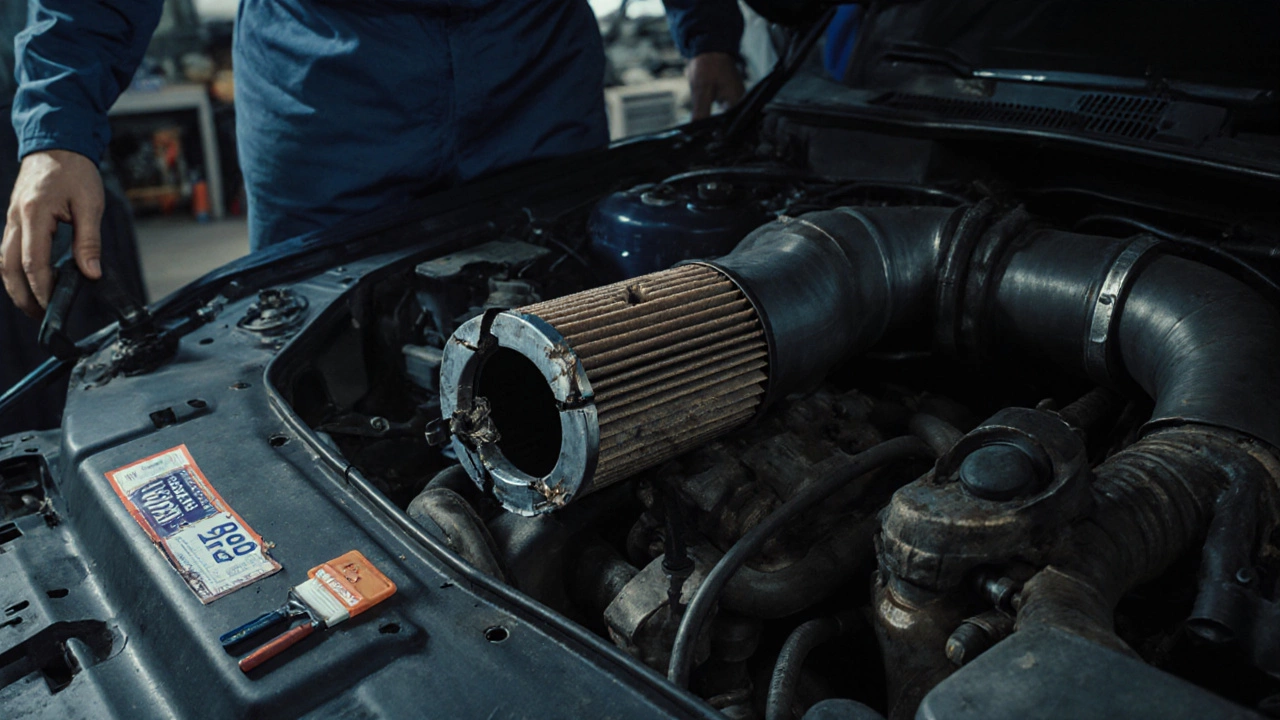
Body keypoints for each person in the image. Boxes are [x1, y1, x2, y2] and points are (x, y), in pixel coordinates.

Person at [3, 0, 746, 321]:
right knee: (316, 331)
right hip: (328, 89)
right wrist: (58, 128)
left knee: (568, 301)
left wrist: (708, 31)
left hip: (532, 67)